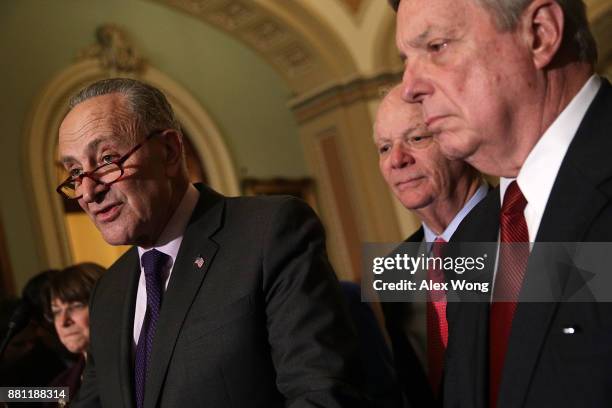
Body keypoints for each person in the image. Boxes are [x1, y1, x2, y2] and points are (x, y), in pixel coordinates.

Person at [56, 78, 366, 407]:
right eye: (75, 173)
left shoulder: (267, 232)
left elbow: (322, 394)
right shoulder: (109, 290)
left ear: (170, 152)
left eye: (106, 160)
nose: (88, 192)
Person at [392, 0, 611, 406]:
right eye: (406, 59)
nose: (410, 87)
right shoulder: (473, 238)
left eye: (437, 46)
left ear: (540, 33)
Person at [373, 85, 486, 406]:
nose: (397, 159)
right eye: (383, 148)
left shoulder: (524, 226)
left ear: (458, 140)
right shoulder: (395, 269)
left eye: (417, 138)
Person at [44, 263, 105, 404]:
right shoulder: (59, 386)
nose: (63, 322)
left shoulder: (136, 369)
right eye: (56, 312)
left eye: (76, 306)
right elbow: (14, 395)